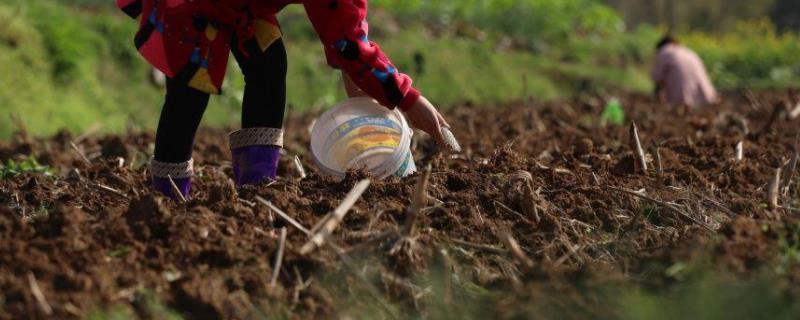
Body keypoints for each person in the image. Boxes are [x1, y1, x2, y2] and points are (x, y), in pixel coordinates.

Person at [116, 0, 451, 199]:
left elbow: (347, 36)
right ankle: (166, 197)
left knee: (268, 62)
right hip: (192, 6)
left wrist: (364, 73)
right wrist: (407, 98)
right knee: (190, 90)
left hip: (242, 7)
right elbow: (347, 43)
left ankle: (257, 186)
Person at [652, 35, 719, 108]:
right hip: (706, 96)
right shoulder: (688, 52)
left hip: (681, 100)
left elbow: (657, 79)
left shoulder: (664, 52)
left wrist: (657, 102)